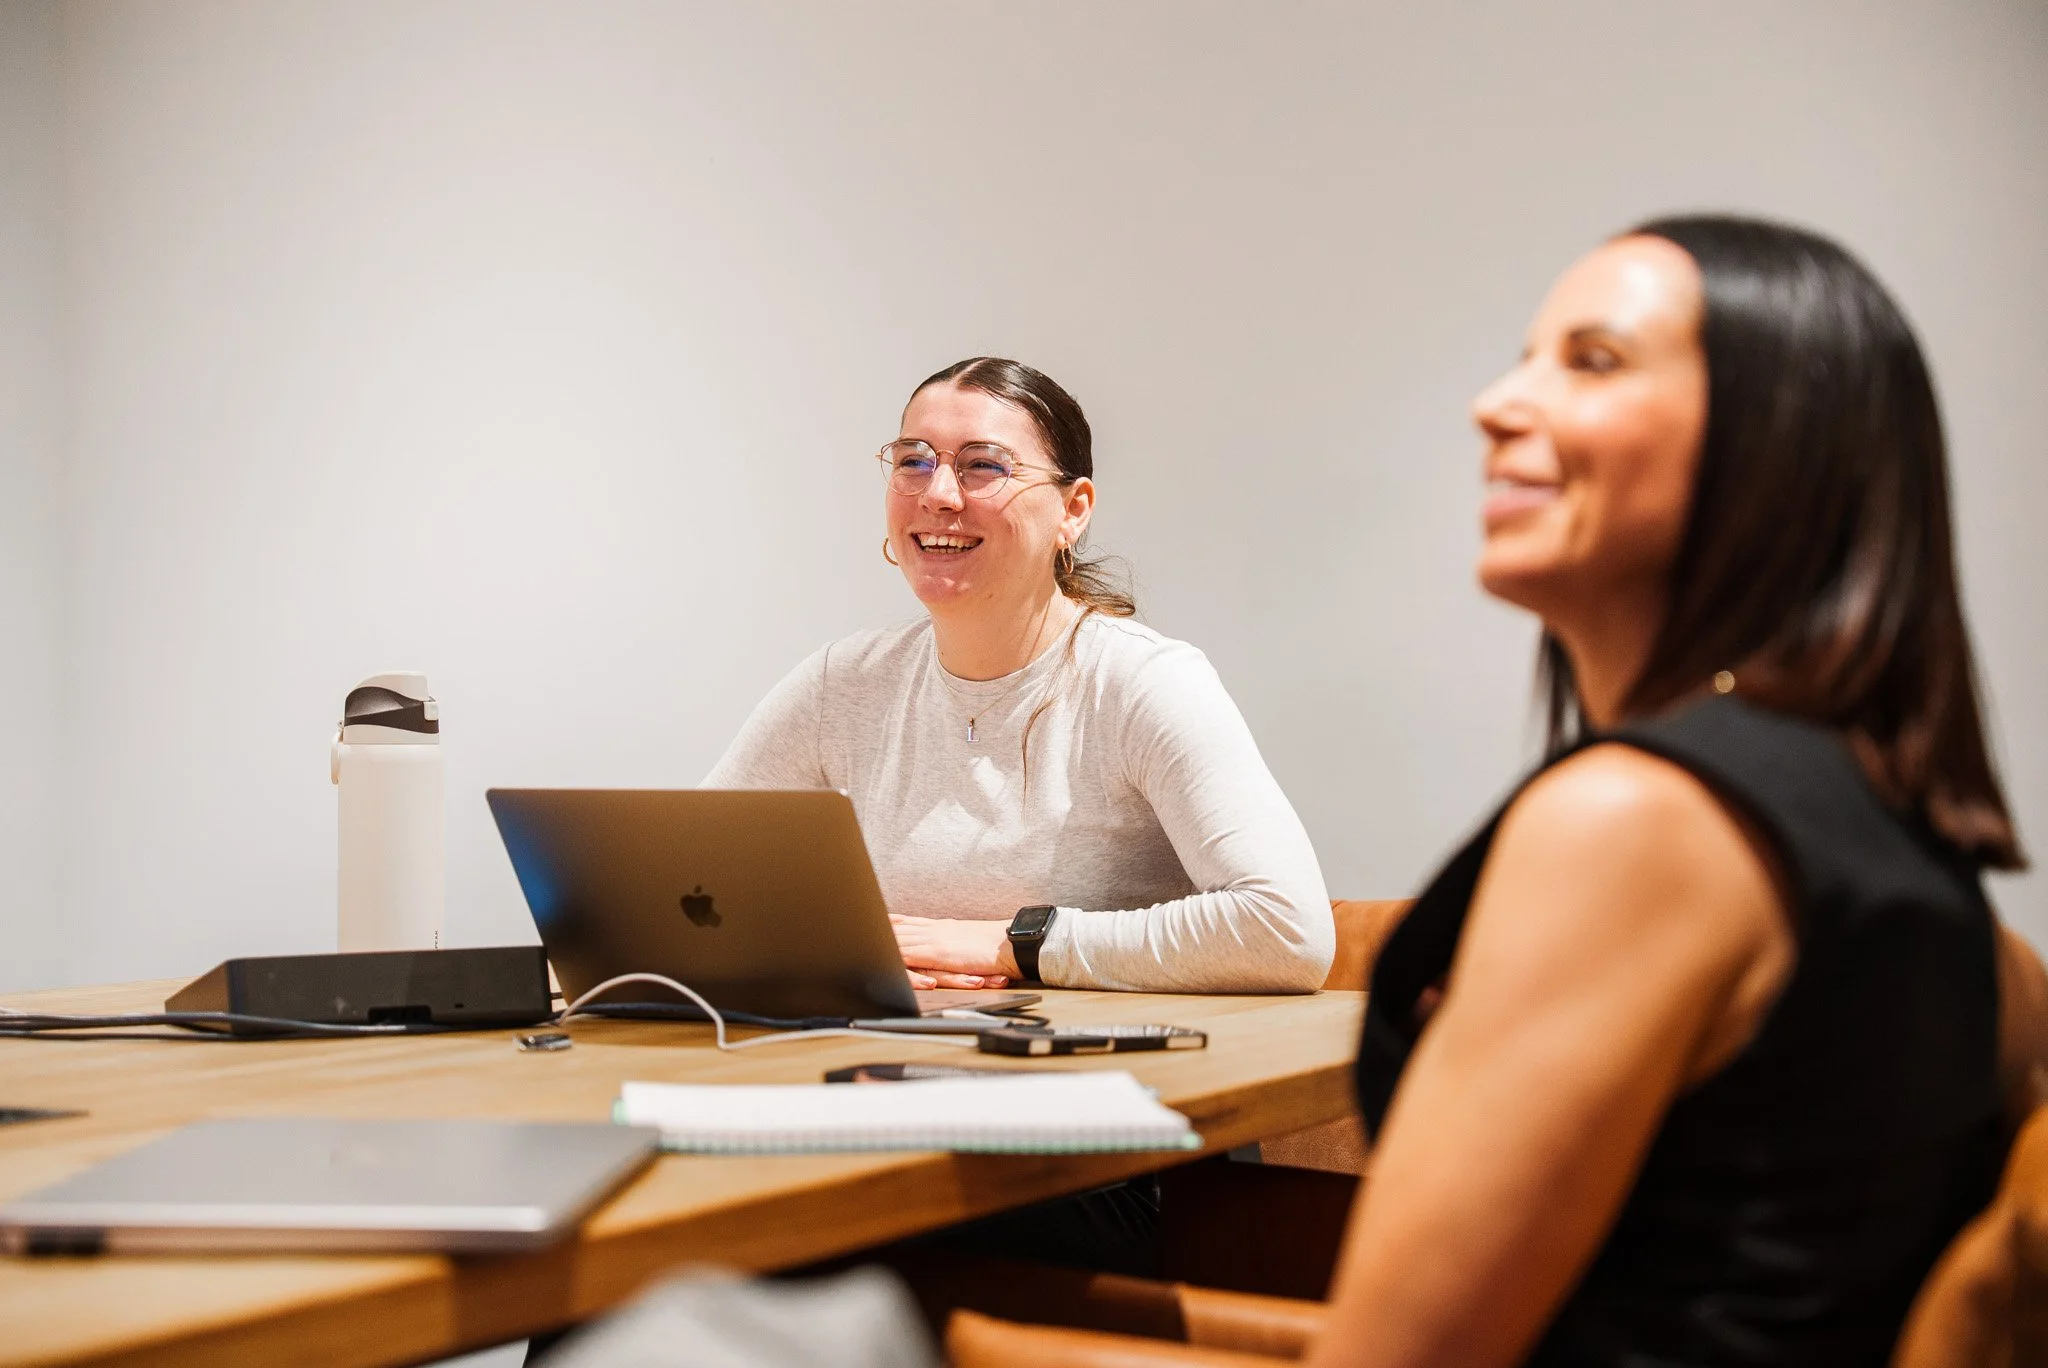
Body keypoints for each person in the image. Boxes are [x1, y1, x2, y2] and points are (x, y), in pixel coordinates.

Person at [1307, 217, 2048, 1367]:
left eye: (1590, 360)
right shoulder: (1907, 845)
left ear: (1777, 447)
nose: (1495, 402)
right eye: (1524, 354)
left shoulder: (1638, 821)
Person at [704, 356, 1332, 994]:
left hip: (1097, 1075)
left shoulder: (1145, 682)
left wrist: (1008, 944)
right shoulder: (843, 683)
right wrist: (847, 948)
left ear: (1073, 510)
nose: (938, 493)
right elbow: (683, 883)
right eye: (913, 460)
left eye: (982, 466)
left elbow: (1286, 930)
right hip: (888, 1061)